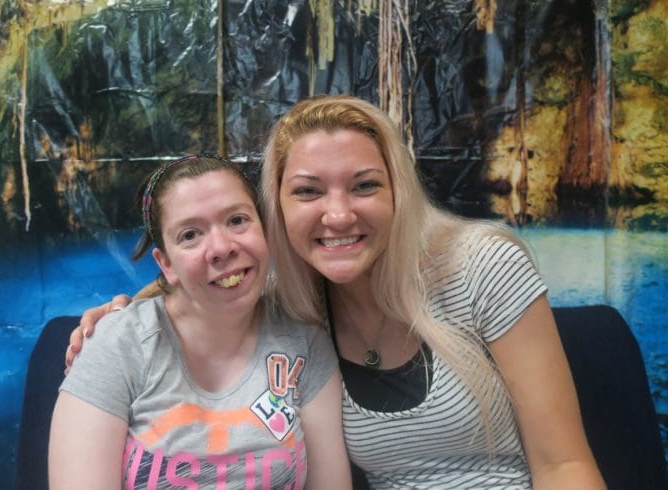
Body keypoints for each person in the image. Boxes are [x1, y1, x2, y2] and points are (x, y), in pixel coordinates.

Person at [68, 96, 606, 489]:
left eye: (364, 185)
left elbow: (564, 466)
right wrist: (124, 312)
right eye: (308, 191)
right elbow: (204, 279)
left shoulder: (482, 266)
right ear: (277, 208)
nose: (339, 215)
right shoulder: (292, 298)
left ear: (398, 191)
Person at [49, 154, 352, 490]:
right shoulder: (116, 345)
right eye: (190, 234)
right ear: (166, 264)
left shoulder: (304, 344)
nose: (221, 248)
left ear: (265, 231)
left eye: (237, 220)